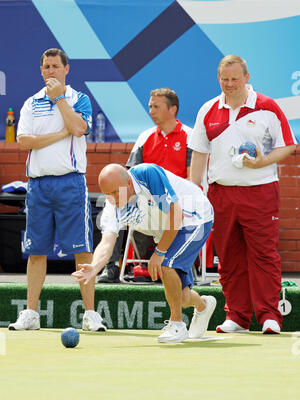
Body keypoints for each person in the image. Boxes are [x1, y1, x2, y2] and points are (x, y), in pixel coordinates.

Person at [189, 54, 297, 335]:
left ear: (247, 78)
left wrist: (262, 161)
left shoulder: (267, 106)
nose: (230, 84)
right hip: (220, 193)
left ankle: (269, 316)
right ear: (218, 79)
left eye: (235, 79)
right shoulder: (208, 109)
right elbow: (199, 156)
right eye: (224, 79)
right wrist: (193, 194)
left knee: (263, 255)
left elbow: (288, 145)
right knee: (228, 256)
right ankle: (236, 316)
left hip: (260, 192)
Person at [8, 48, 106, 332]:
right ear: (41, 70)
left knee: (82, 250)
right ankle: (31, 313)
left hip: (70, 183)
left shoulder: (79, 99)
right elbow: (24, 141)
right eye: (46, 66)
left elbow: (78, 128)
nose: (50, 71)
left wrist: (60, 99)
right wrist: (58, 134)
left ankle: (90, 313)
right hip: (38, 184)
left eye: (55, 66)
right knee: (36, 251)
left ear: (66, 69)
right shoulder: (31, 102)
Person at [73, 163, 216, 343]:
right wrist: (94, 267)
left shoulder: (148, 174)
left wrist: (160, 251)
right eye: (108, 194)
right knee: (182, 297)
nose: (113, 199)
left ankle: (177, 325)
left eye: (116, 192)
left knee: (166, 264)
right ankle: (203, 305)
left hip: (195, 217)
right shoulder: (114, 206)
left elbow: (176, 213)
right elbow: (107, 242)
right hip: (168, 229)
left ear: (129, 184)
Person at [97, 88, 192, 283]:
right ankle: (112, 266)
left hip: (177, 200)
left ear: (173, 109)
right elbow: (126, 177)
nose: (151, 111)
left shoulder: (190, 136)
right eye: (150, 107)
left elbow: (193, 180)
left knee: (157, 209)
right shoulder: (144, 137)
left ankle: (171, 265)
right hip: (146, 199)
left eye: (156, 107)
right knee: (117, 203)